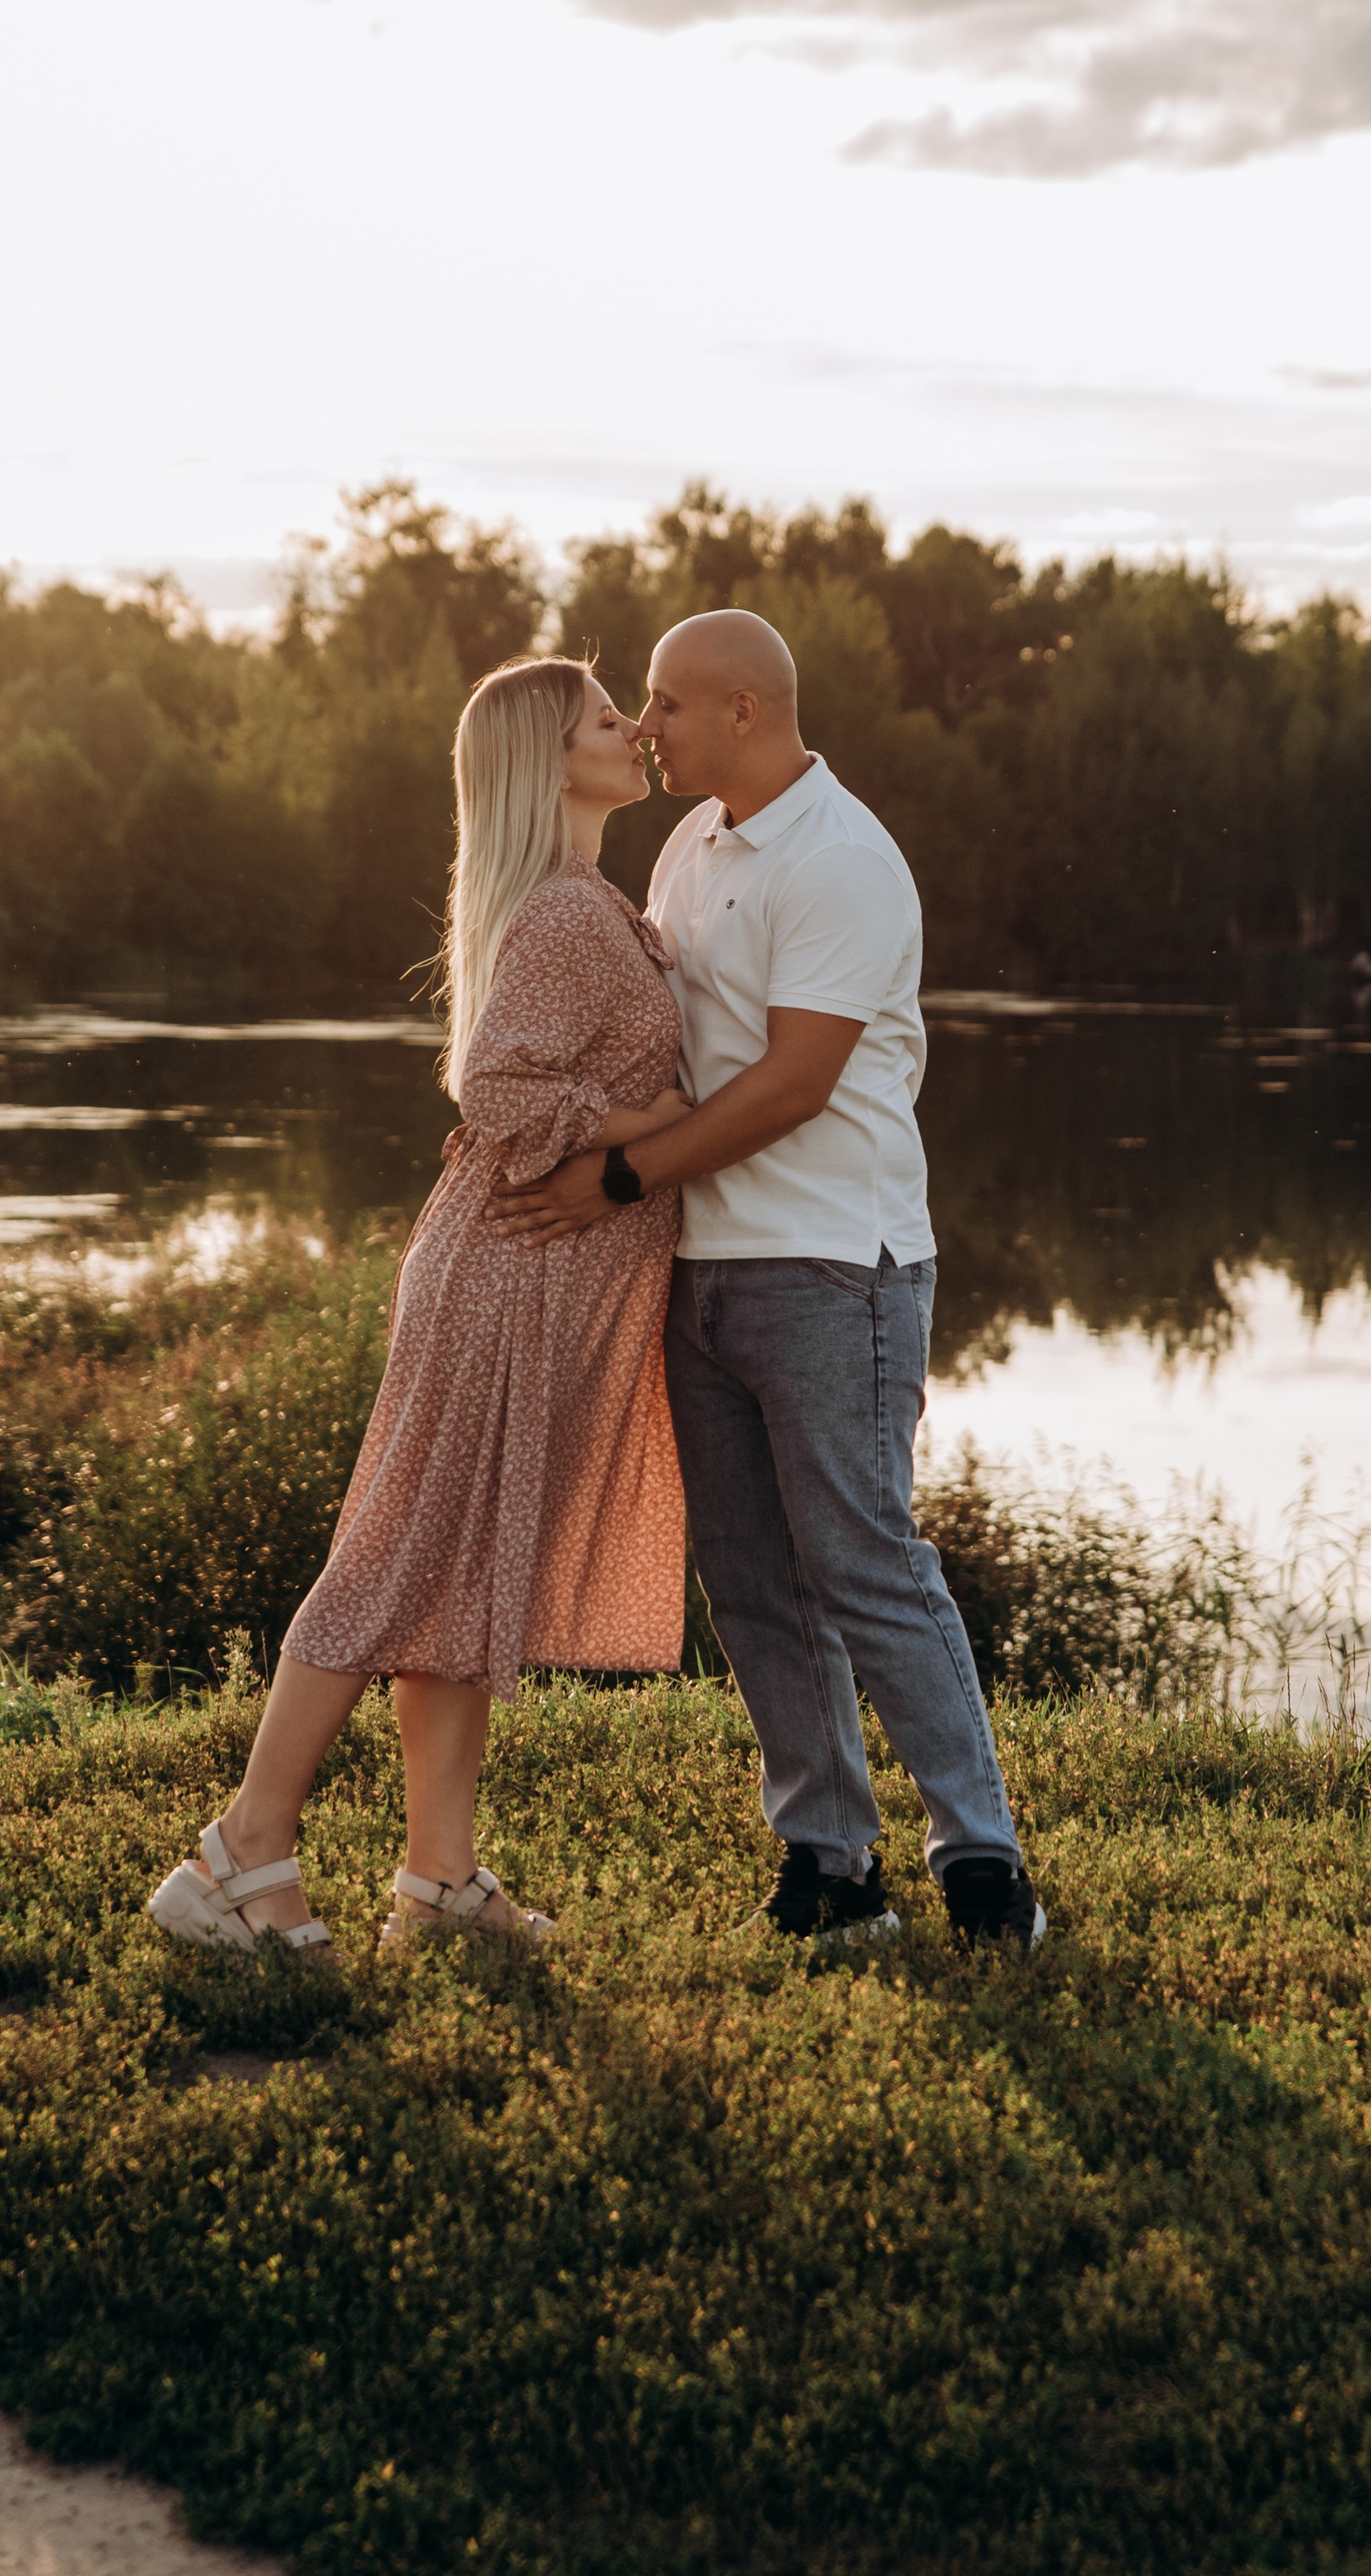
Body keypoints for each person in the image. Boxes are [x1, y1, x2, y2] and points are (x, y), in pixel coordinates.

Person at [489, 609, 1044, 1952]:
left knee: (865, 1565)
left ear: (744, 711)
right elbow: (664, 1049)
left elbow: (796, 1083)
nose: (645, 727)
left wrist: (620, 1179)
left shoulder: (847, 860)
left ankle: (984, 1869)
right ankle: (830, 1865)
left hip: (833, 1266)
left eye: (668, 705)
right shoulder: (689, 846)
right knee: (748, 1575)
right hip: (705, 1267)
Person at [148, 657, 691, 1958]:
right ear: (550, 761)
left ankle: (439, 1885)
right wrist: (651, 1124)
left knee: (464, 1572)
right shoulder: (565, 915)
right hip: (507, 1275)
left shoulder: (583, 899)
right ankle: (239, 1854)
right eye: (607, 721)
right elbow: (497, 1092)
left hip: (534, 1278)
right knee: (398, 1560)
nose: (635, 735)